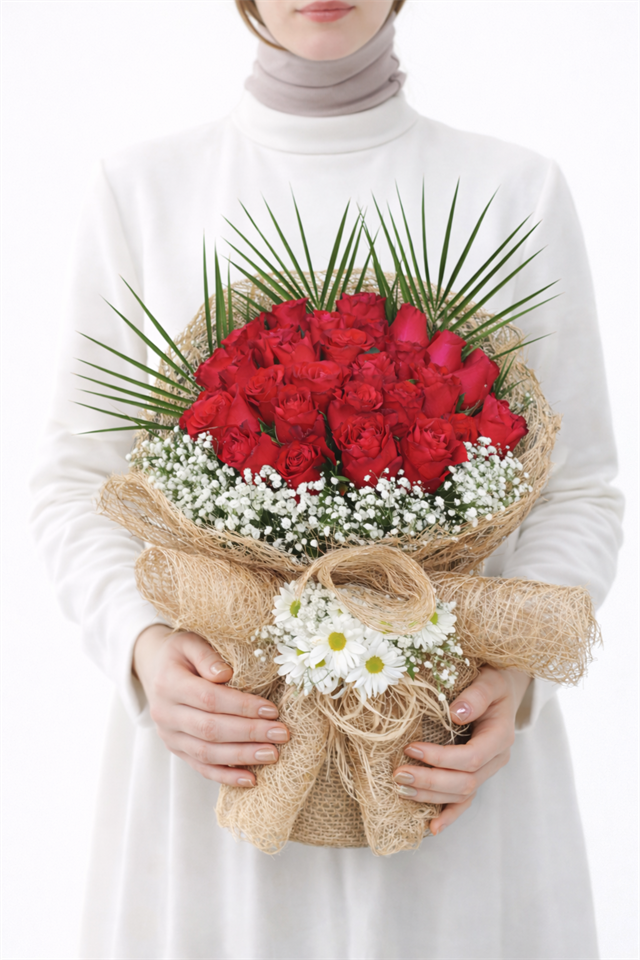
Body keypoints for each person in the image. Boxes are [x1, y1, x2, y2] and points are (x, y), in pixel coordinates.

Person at [31, 1, 623, 958]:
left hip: (443, 754)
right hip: (224, 752)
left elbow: (580, 485)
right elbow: (75, 482)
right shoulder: (143, 187)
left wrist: (511, 682)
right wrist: (141, 648)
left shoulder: (516, 188)